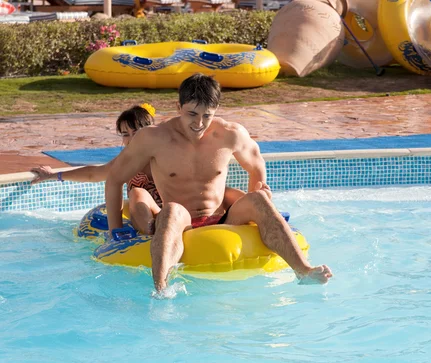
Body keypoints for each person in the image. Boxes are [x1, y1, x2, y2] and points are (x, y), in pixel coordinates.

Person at [105, 74, 332, 292]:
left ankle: (304, 271)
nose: (199, 123)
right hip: (181, 220)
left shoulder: (229, 133)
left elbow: (256, 164)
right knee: (172, 210)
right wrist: (115, 230)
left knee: (259, 199)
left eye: (207, 115)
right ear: (178, 107)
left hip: (223, 216)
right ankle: (162, 289)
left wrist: (259, 187)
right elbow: (114, 178)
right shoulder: (154, 138)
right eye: (192, 114)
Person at [31, 103, 245, 234]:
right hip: (158, 217)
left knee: (229, 192)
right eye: (125, 134)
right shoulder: (127, 163)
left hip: (188, 212)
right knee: (138, 193)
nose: (132, 138)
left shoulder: (164, 153)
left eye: (137, 132)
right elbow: (94, 173)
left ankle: (250, 218)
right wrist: (54, 175)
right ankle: (153, 233)